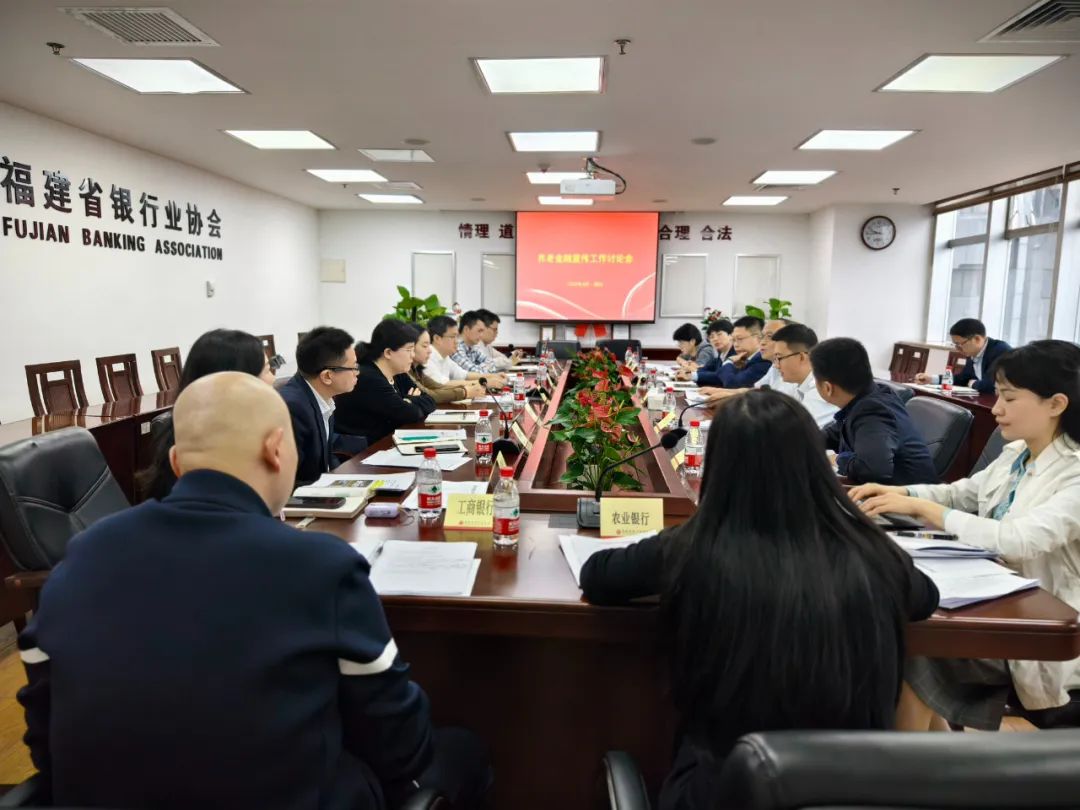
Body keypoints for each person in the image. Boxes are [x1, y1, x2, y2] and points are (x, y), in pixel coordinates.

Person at [16, 372, 492, 809]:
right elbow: (400, 746)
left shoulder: (80, 556)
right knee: (461, 750)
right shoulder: (320, 565)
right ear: (276, 449)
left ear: (177, 463)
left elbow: (44, 738)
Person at [579, 389, 938, 810]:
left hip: (721, 794)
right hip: (849, 793)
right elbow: (925, 597)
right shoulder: (872, 551)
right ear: (814, 463)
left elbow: (597, 575)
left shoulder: (693, 548)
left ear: (720, 467)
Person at [851, 340, 1080, 732]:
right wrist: (901, 493)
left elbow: (1018, 539)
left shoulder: (1074, 473)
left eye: (1009, 398)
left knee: (913, 645)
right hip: (993, 599)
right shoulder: (1018, 453)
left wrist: (925, 510)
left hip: (1041, 626)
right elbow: (962, 494)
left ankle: (901, 762)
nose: (997, 408)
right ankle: (925, 756)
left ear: (1056, 404)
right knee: (901, 632)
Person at [140, 328, 276, 500]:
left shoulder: (246, 426)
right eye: (267, 370)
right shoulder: (210, 449)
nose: (273, 378)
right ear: (240, 380)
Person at [811, 337, 937, 486]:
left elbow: (872, 469)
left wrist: (838, 459)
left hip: (907, 496)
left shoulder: (873, 410)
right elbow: (834, 434)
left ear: (827, 388)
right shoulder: (869, 395)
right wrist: (802, 441)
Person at [278, 326, 367, 487]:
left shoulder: (321, 396)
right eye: (353, 367)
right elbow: (286, 481)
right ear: (327, 376)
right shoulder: (292, 408)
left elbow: (325, 459)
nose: (357, 372)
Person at [335, 320, 437, 444]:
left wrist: (408, 400)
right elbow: (410, 414)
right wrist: (409, 401)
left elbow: (430, 401)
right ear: (388, 353)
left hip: (386, 442)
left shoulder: (398, 373)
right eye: (409, 350)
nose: (413, 355)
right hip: (361, 449)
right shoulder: (369, 378)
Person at [696, 318, 794, 401]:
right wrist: (722, 392)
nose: (762, 342)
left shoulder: (764, 361)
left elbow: (733, 384)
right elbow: (756, 389)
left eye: (769, 336)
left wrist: (729, 394)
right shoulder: (774, 366)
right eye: (762, 336)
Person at [768, 324, 838, 428]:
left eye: (779, 357)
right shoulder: (796, 383)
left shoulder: (821, 390)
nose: (776, 365)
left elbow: (796, 431)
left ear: (801, 357)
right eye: (775, 359)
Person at [916, 318, 1012, 394]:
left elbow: (992, 385)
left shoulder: (1000, 351)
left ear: (977, 339)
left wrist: (972, 383)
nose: (958, 349)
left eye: (959, 344)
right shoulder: (973, 352)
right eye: (955, 345)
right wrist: (932, 379)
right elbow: (963, 378)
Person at [408, 324, 486, 404]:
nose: (429, 351)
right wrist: (465, 392)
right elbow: (429, 395)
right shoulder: (405, 372)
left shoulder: (417, 369)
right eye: (425, 346)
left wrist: (471, 387)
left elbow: (438, 386)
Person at [425, 315, 505, 389]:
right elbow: (443, 384)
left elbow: (465, 375)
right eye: (452, 337)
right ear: (437, 338)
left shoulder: (445, 357)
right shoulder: (427, 357)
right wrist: (485, 382)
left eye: (456, 337)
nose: (456, 341)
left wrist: (493, 376)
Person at [689, 316, 771, 389]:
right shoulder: (743, 358)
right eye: (734, 340)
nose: (735, 345)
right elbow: (721, 376)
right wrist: (691, 375)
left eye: (740, 339)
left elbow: (732, 384)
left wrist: (729, 361)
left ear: (758, 338)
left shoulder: (763, 360)